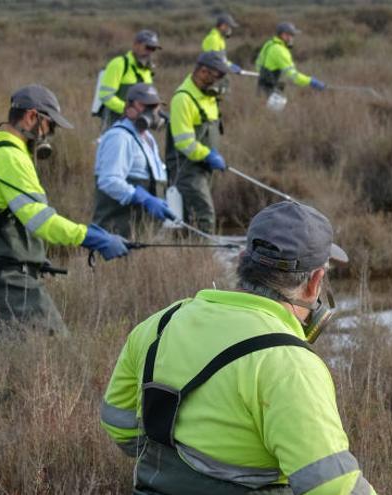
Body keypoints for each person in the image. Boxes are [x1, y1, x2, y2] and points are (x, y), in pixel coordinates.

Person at [101, 200, 376, 495]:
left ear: (243, 260)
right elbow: (334, 488)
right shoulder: (290, 364)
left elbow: (118, 424)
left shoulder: (160, 324)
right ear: (315, 282)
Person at [0, 84, 128, 335]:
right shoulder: (11, 158)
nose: (50, 134)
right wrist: (90, 237)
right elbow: (41, 221)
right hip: (10, 286)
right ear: (32, 117)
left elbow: (4, 217)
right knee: (55, 350)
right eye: (49, 126)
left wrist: (34, 256)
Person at [92, 83, 174, 238]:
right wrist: (141, 197)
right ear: (129, 107)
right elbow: (109, 180)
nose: (153, 111)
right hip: (117, 230)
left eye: (155, 106)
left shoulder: (148, 138)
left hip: (141, 231)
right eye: (145, 106)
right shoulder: (119, 137)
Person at [166, 51, 229, 234]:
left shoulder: (208, 96)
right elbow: (184, 143)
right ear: (203, 71)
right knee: (204, 215)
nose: (220, 79)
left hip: (204, 168)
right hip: (186, 170)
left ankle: (188, 256)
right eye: (218, 74)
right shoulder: (183, 99)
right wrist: (208, 155)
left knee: (191, 218)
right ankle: (204, 258)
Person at [96, 30, 161, 131]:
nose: (150, 52)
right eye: (148, 47)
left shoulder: (147, 70)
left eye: (153, 49)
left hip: (139, 126)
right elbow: (105, 96)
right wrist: (127, 110)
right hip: (115, 125)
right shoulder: (118, 64)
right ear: (135, 45)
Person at [256, 22, 326, 97]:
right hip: (270, 92)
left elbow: (258, 65)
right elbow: (295, 77)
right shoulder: (280, 51)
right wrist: (311, 81)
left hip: (262, 87)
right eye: (290, 35)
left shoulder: (270, 43)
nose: (292, 38)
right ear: (283, 35)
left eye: (293, 35)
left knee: (261, 106)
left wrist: (268, 77)